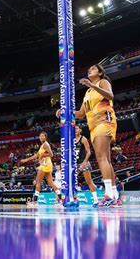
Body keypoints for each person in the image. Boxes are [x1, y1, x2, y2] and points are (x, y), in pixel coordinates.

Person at [58, 64, 119, 207]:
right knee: (106, 159)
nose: (89, 70)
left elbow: (110, 96)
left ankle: (109, 195)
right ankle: (115, 194)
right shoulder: (88, 93)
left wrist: (92, 85)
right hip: (93, 126)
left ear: (100, 72)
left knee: (101, 157)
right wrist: (64, 111)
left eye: (92, 68)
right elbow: (80, 114)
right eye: (88, 68)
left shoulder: (102, 82)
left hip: (104, 120)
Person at [20, 132, 62, 206]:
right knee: (51, 183)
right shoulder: (42, 145)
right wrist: (26, 160)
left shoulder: (45, 144)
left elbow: (51, 154)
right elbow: (36, 155)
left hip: (45, 165)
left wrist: (43, 155)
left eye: (43, 136)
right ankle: (61, 199)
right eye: (40, 136)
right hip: (47, 165)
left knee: (38, 182)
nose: (41, 137)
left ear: (45, 137)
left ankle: (35, 202)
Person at [75, 125, 98, 205]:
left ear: (80, 130)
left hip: (84, 162)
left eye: (77, 128)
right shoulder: (71, 140)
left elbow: (89, 152)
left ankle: (95, 200)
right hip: (76, 163)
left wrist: (85, 162)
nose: (75, 130)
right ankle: (75, 200)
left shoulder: (83, 139)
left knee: (89, 182)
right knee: (72, 182)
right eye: (74, 129)